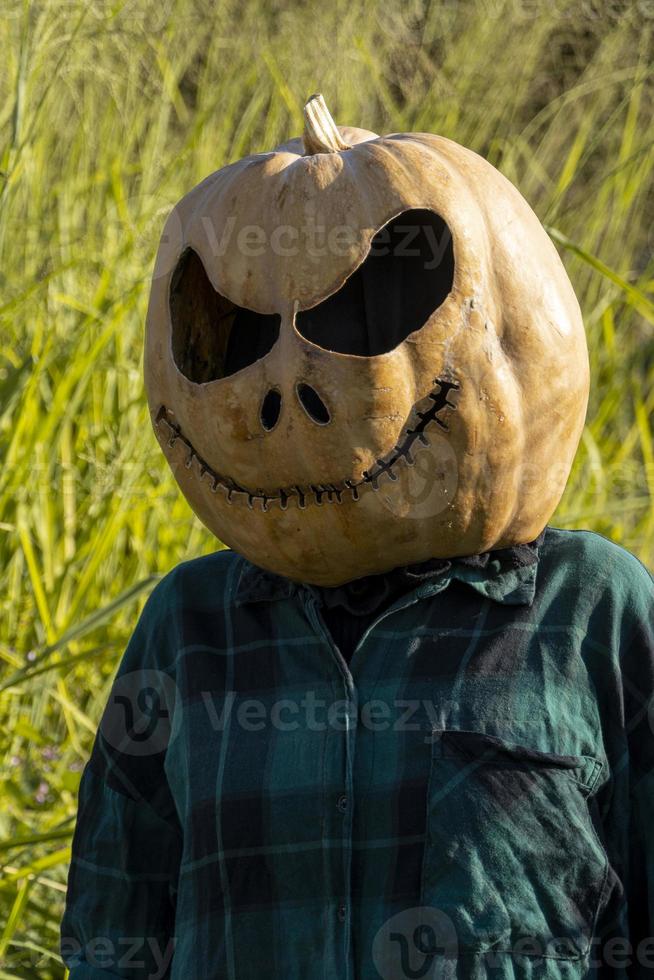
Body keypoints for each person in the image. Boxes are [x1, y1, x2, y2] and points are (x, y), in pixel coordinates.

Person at [61, 96, 654, 979]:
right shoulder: (188, 630)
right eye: (245, 337)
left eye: (357, 326)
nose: (289, 389)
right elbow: (113, 943)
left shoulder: (592, 612)